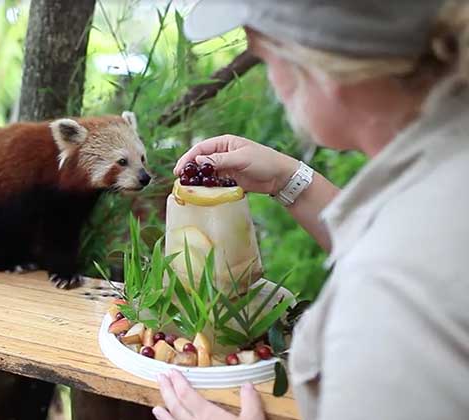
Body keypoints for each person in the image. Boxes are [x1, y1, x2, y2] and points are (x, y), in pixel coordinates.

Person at [152, 1, 469, 419]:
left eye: (265, 57)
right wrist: (288, 181)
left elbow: (398, 268)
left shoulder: (388, 295)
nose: (272, 82)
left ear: (325, 71)